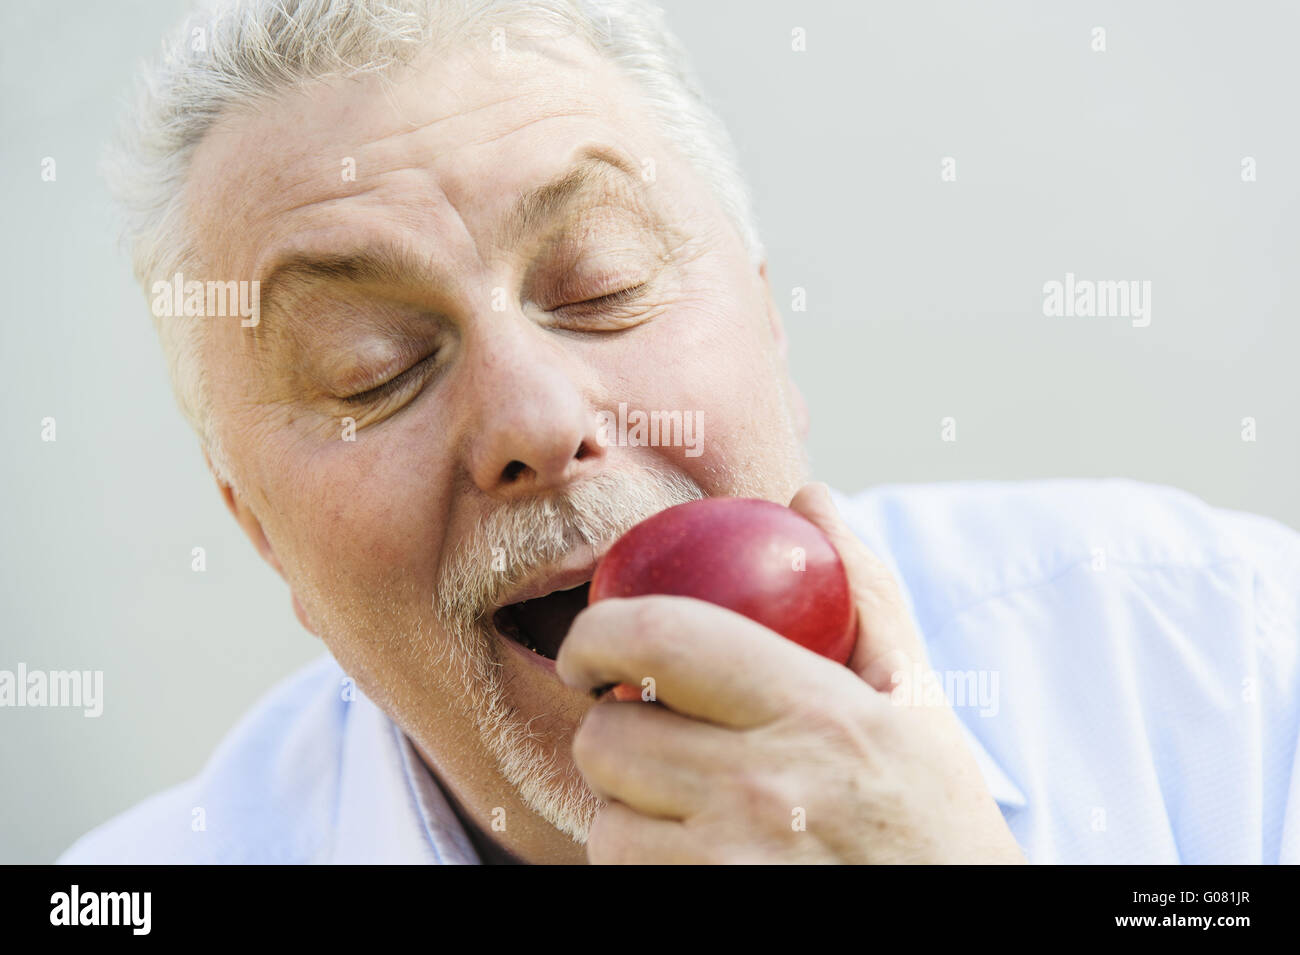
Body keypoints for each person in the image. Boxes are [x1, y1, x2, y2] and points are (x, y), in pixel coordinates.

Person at [60, 0, 1300, 864]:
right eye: (371, 371)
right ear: (265, 539)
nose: (537, 421)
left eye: (596, 287)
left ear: (767, 322)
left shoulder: (1228, 667)